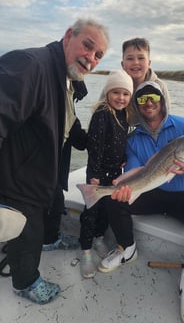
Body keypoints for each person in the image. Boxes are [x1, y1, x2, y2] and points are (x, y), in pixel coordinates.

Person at [98, 81, 184, 323]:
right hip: (152, 190)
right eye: (142, 98)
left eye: (154, 97)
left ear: (163, 99)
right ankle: (127, 248)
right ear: (136, 105)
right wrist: (123, 186)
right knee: (113, 199)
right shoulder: (134, 138)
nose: (149, 103)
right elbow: (137, 169)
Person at [0, 18, 109, 305]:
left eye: (99, 55)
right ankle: (25, 282)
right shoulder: (30, 65)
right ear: (67, 36)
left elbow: (65, 119)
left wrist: (89, 141)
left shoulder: (67, 78)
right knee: (28, 231)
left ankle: (52, 240)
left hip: (47, 170)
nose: (91, 58)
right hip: (19, 176)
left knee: (55, 206)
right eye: (88, 46)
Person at [79, 69, 133, 278]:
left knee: (106, 210)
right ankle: (85, 250)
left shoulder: (124, 115)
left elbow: (119, 143)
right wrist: (94, 174)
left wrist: (124, 158)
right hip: (98, 173)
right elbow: (95, 148)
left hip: (115, 173)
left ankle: (99, 238)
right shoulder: (102, 114)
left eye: (125, 94)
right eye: (116, 93)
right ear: (107, 93)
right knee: (91, 211)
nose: (120, 98)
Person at [42, 82, 88, 251]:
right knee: (53, 200)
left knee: (53, 199)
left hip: (43, 166)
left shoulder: (59, 96)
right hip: (44, 167)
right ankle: (49, 241)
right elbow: (78, 137)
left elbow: (78, 136)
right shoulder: (57, 98)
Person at [121, 37, 171, 126]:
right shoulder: (114, 86)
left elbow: (166, 118)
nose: (136, 62)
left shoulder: (159, 86)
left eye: (141, 58)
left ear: (149, 63)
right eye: (130, 58)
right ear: (122, 64)